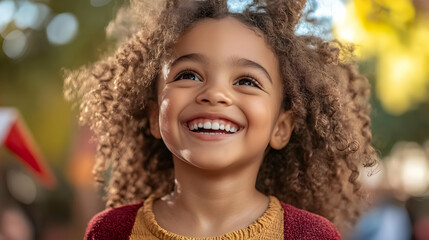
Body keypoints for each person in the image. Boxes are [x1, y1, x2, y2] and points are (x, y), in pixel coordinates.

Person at [64, 0, 377, 239]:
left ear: (281, 128)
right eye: (188, 75)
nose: (214, 93)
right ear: (153, 115)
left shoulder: (310, 235)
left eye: (246, 81)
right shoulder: (112, 231)